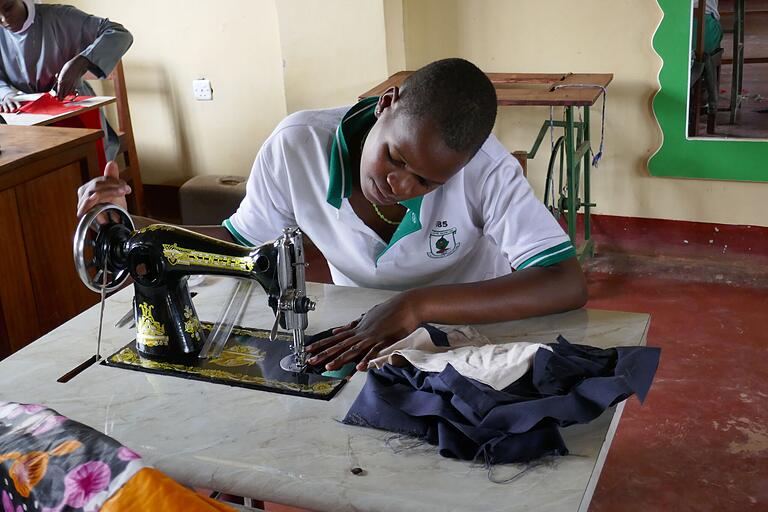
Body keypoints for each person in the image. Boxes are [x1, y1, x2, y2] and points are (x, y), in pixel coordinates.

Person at [77, 58, 587, 373]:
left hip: (471, 332)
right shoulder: (295, 147)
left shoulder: (486, 166)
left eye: (428, 183)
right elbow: (238, 247)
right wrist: (129, 225)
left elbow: (565, 283)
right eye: (395, 158)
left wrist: (418, 305)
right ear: (385, 105)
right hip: (357, 328)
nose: (400, 187)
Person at [0, 0, 133, 159]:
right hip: (28, 117)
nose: (4, 19)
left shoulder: (60, 17)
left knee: (83, 164)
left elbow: (119, 33)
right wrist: (5, 93)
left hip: (73, 108)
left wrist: (82, 61)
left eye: (8, 8)